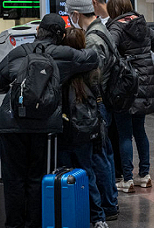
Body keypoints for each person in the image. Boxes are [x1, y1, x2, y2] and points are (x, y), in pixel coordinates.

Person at [0, 14, 98, 228]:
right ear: (61, 35)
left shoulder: (19, 52)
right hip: (44, 127)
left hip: (11, 124)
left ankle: (14, 225)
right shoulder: (64, 54)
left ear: (38, 31)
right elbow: (92, 58)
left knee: (14, 181)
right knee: (38, 178)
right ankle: (35, 224)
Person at [66, 0, 119, 220]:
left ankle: (107, 207)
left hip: (98, 102)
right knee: (104, 154)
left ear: (76, 14)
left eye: (70, 15)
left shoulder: (94, 38)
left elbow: (94, 76)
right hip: (102, 102)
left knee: (99, 156)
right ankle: (110, 203)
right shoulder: (99, 30)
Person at [106, 0, 154, 193]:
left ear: (113, 10)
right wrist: (144, 56)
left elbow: (109, 50)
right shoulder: (141, 23)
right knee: (140, 131)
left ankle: (127, 179)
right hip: (145, 84)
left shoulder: (115, 27)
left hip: (125, 85)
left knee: (124, 134)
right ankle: (145, 175)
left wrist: (124, 62)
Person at [58, 27, 109, 228]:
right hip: (86, 128)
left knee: (63, 172)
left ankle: (68, 214)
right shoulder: (90, 66)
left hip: (64, 129)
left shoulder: (61, 68)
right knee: (88, 171)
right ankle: (98, 217)